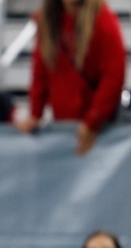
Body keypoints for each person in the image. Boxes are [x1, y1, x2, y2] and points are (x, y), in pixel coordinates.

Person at [15, 0, 126, 156]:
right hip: (64, 126)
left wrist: (93, 120)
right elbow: (40, 73)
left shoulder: (102, 19)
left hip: (98, 131)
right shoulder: (48, 21)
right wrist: (35, 114)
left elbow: (113, 76)